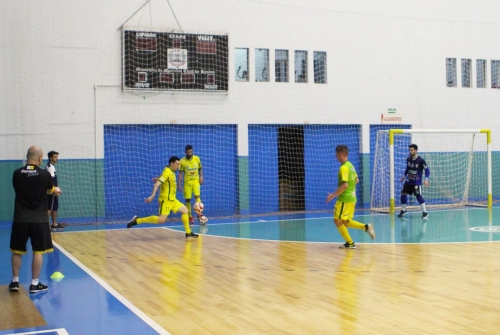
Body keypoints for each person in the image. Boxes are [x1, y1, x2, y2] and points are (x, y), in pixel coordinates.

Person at [9, 146, 61, 293]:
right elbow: (51, 190)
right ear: (39, 158)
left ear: (27, 157)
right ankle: (34, 283)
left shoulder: (17, 173)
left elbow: (22, 189)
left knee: (17, 251)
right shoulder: (45, 175)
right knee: (38, 251)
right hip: (39, 219)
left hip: (20, 218)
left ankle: (14, 282)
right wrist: (56, 191)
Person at [127, 156, 198, 238]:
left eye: (179, 165)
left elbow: (163, 176)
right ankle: (137, 220)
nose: (178, 167)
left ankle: (188, 232)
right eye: (177, 164)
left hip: (172, 199)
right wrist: (152, 196)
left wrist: (158, 178)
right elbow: (157, 184)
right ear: (171, 163)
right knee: (161, 220)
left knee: (185, 210)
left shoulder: (170, 171)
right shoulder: (167, 172)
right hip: (166, 200)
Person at [326, 145, 375, 249]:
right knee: (345, 222)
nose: (336, 157)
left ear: (340, 154)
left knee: (337, 220)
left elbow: (345, 185)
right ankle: (365, 227)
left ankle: (350, 242)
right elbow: (357, 180)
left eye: (336, 155)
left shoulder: (343, 168)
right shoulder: (351, 166)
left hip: (345, 198)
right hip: (352, 198)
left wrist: (333, 195)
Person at [397, 144, 430, 219]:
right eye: (409, 150)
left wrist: (426, 179)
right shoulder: (408, 159)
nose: (410, 151)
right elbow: (407, 168)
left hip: (416, 182)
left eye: (411, 150)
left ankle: (425, 212)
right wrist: (404, 175)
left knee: (418, 196)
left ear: (415, 150)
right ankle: (404, 210)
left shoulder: (421, 160)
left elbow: (427, 170)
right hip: (409, 181)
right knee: (403, 194)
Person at [178, 145, 203, 224]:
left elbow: (200, 169)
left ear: (192, 151)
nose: (189, 153)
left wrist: (201, 177)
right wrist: (179, 184)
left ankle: (199, 214)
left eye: (190, 152)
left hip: (196, 181)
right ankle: (190, 216)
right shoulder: (182, 161)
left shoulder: (197, 159)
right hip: (187, 182)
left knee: (197, 197)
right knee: (188, 200)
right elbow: (181, 173)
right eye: (188, 152)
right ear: (185, 152)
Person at [46, 150, 63, 230]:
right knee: (49, 207)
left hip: (53, 190)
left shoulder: (51, 166)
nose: (57, 158)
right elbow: (50, 181)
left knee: (54, 207)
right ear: (50, 158)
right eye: (55, 157)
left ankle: (54, 224)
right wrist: (54, 190)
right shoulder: (50, 167)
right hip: (51, 191)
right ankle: (45, 225)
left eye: (57, 157)